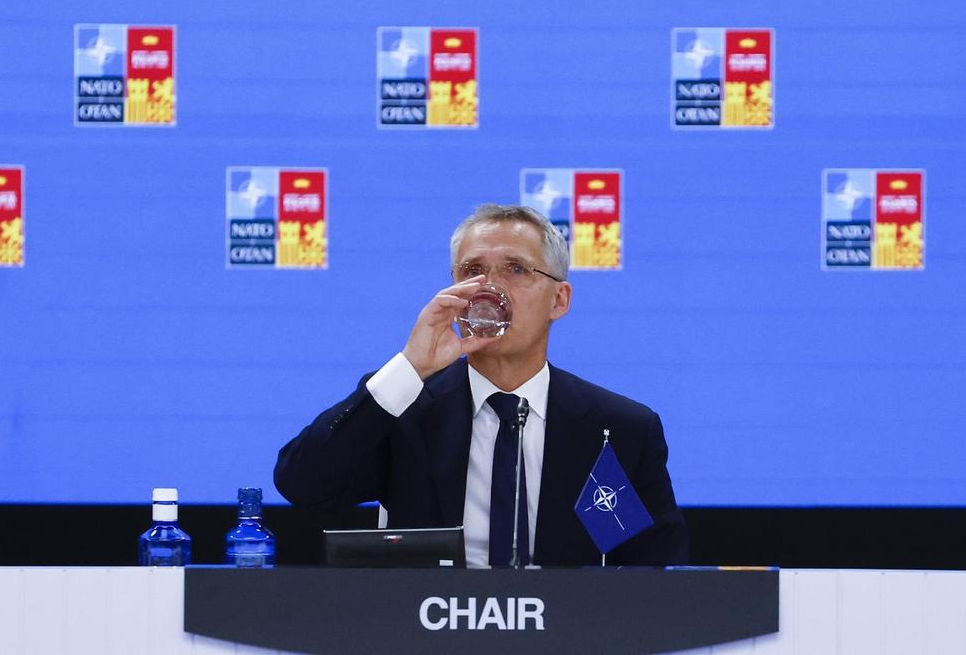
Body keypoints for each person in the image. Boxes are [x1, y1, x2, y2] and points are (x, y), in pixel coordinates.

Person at [275, 204, 688, 567]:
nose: (489, 289)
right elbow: (303, 484)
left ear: (559, 300)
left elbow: (654, 580)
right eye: (473, 271)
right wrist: (410, 366)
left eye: (515, 269)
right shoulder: (407, 413)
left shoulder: (617, 429)